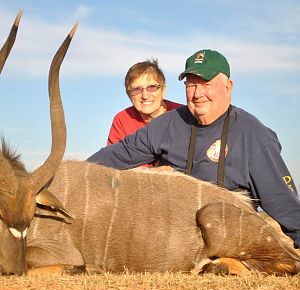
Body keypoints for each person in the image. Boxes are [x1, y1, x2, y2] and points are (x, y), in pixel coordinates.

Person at [88, 49, 300, 248]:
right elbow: (118, 153)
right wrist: (70, 174)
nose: (198, 94)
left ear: (228, 87)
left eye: (206, 84)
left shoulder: (252, 133)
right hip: (177, 234)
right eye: (191, 85)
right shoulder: (168, 123)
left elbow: (283, 202)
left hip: (229, 233)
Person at [107, 59, 182, 145]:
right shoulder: (122, 120)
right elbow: (112, 156)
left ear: (163, 90)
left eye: (152, 87)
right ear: (129, 94)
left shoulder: (183, 115)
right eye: (136, 89)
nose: (145, 96)